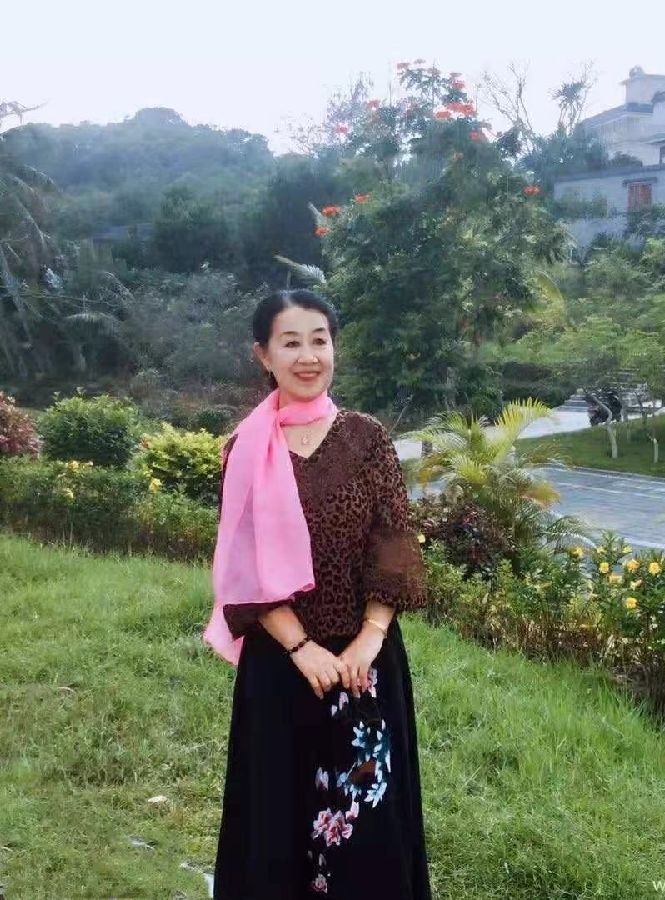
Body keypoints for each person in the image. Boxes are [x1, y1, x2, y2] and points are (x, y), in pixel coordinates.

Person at [205, 288, 433, 898]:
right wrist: (301, 648)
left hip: (365, 668)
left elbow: (393, 542)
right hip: (280, 667)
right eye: (291, 343)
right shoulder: (245, 450)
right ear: (263, 355)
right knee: (277, 824)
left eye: (319, 340)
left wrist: (369, 639)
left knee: (370, 831)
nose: (308, 357)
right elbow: (245, 565)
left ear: (334, 347)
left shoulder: (366, 438)